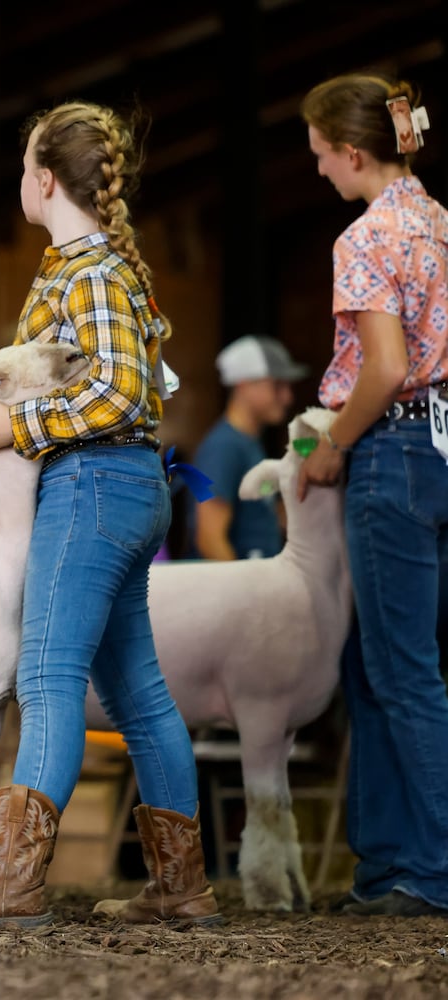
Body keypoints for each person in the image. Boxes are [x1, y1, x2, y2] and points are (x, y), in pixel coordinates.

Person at [0, 101, 219, 927]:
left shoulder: (87, 272)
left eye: (22, 167)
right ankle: (181, 887)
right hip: (123, 489)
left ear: (42, 180)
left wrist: (20, 424)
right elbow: (139, 390)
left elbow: (119, 391)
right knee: (136, 692)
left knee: (45, 680)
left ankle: (8, 882)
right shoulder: (98, 269)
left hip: (92, 488)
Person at [297, 74, 448, 918]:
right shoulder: (437, 223)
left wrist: (333, 443)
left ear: (352, 153)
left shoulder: (364, 238)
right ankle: (388, 866)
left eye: (320, 156)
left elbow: (384, 369)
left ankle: (429, 872)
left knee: (402, 672)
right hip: (442, 447)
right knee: (380, 663)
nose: (317, 171)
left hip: (389, 450)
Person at [191, 335, 307, 560]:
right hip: (235, 590)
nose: (287, 397)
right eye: (277, 385)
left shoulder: (247, 443)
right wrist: (241, 592)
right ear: (244, 384)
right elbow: (210, 539)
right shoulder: (224, 446)